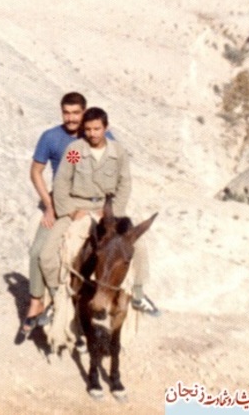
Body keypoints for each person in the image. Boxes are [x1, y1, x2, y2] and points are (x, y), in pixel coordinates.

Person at [39, 107, 160, 318]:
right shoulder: (76, 151)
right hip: (78, 207)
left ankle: (138, 294)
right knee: (47, 254)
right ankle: (56, 297)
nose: (92, 133)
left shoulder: (117, 152)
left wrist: (113, 214)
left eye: (97, 129)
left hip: (108, 209)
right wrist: (71, 211)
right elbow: (62, 180)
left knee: (138, 246)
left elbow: (124, 183)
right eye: (88, 129)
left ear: (106, 128)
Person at [19, 92, 97, 338]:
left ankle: (134, 292)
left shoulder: (98, 137)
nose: (71, 118)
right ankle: (42, 300)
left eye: (76, 113)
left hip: (95, 201)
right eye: (66, 113)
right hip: (63, 201)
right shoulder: (60, 143)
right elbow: (55, 172)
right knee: (39, 252)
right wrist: (50, 204)